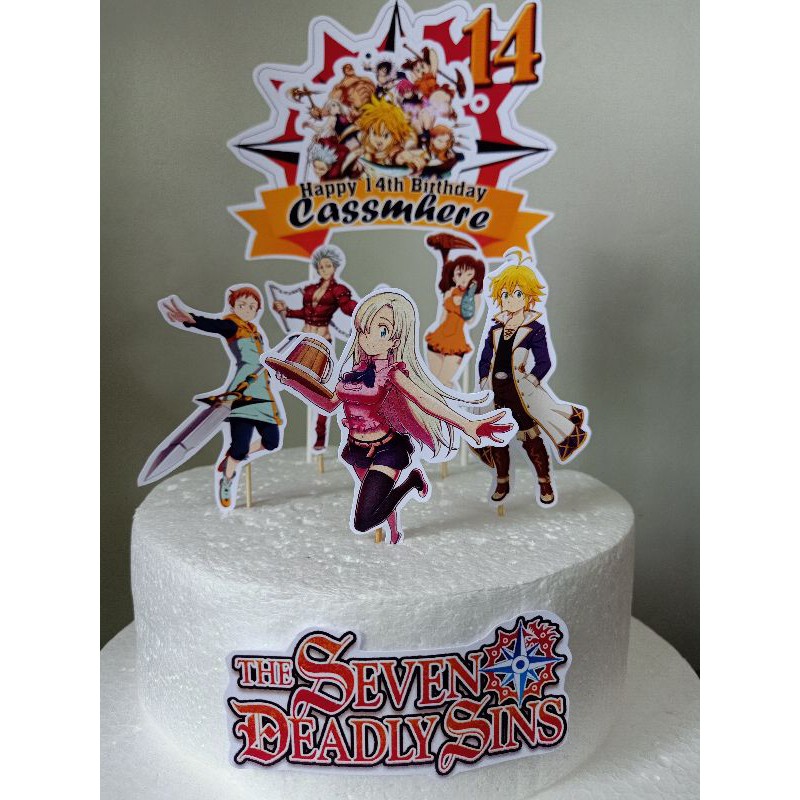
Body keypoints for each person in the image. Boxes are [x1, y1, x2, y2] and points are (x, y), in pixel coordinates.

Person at [273, 290, 514, 544]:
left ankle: (411, 482)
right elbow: (330, 403)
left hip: (386, 450)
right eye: (364, 330)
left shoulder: (392, 373)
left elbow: (424, 400)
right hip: (356, 448)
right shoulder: (354, 370)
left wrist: (468, 424)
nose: (368, 338)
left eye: (382, 331)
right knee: (376, 500)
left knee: (363, 519)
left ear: (395, 340)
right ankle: (393, 528)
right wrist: (293, 382)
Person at [477, 254, 589, 506]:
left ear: (528, 296)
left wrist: (532, 380)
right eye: (505, 294)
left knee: (530, 437)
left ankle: (544, 481)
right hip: (495, 390)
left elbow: (544, 361)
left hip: (520, 391)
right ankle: (502, 481)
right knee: (498, 436)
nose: (510, 299)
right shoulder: (495, 328)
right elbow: (484, 358)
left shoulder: (535, 328)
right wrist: (484, 377)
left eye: (517, 293)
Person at [160, 286, 283, 508]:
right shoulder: (232, 325)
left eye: (252, 306)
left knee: (271, 441)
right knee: (239, 445)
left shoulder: (255, 331)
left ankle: (233, 458)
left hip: (262, 390)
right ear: (233, 307)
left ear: (257, 310)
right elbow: (214, 325)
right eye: (242, 305)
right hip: (242, 391)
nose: (247, 309)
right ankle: (228, 478)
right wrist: (191, 319)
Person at [271, 245, 357, 450]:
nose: (324, 269)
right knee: (283, 376)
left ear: (335, 267)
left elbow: (348, 308)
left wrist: (364, 309)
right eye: (321, 267)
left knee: (319, 387)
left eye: (328, 266)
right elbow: (305, 312)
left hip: (322, 340)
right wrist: (286, 311)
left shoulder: (338, 290)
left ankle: (320, 434)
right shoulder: (310, 289)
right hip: (303, 339)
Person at [424, 233, 485, 388]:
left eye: (469, 274)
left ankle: (454, 404)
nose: (464, 278)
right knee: (433, 383)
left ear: (475, 277)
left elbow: (470, 320)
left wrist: (466, 302)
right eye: (459, 273)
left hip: (456, 343)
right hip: (438, 338)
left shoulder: (475, 297)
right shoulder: (449, 292)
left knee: (445, 383)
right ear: (453, 276)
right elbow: (442, 318)